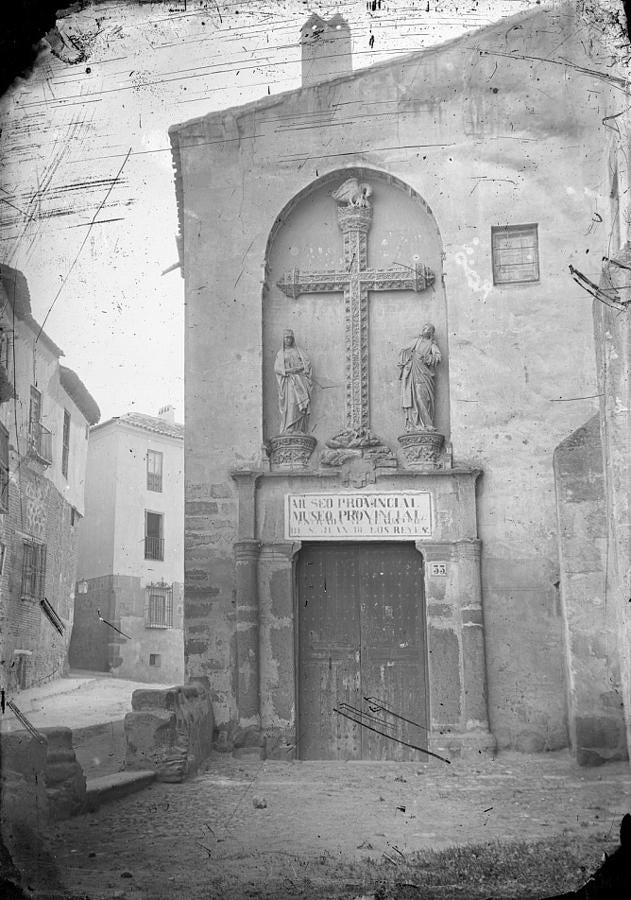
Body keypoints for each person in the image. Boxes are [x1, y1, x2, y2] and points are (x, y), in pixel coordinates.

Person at [398, 323, 441, 431]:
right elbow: (403, 351)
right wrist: (409, 358)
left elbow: (438, 357)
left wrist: (427, 357)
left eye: (428, 329)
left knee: (423, 398)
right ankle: (415, 424)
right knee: (414, 397)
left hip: (424, 374)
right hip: (413, 372)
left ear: (431, 333)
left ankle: (427, 424)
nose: (426, 330)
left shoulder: (432, 345)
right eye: (425, 328)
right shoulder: (416, 341)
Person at [274, 329, 313, 434]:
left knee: (299, 403)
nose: (289, 340)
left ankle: (298, 428)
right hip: (288, 383)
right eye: (286, 338)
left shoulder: (298, 351)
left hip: (299, 381)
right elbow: (277, 369)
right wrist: (289, 370)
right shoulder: (280, 353)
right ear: (283, 339)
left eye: (290, 338)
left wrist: (298, 369)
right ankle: (289, 427)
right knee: (291, 403)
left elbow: (307, 364)